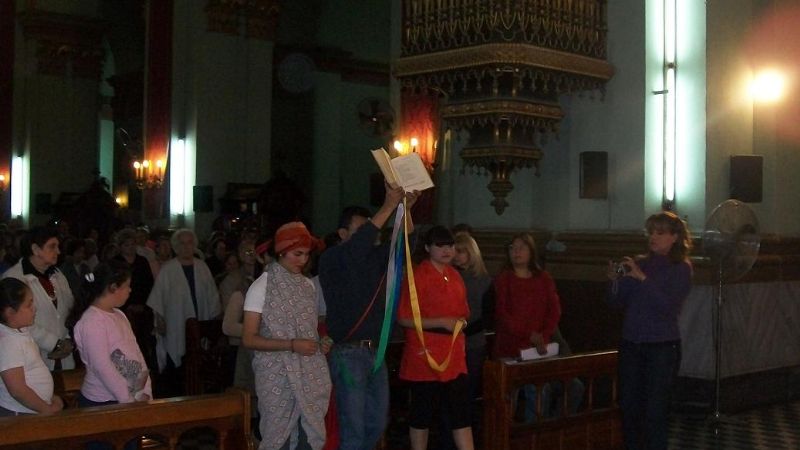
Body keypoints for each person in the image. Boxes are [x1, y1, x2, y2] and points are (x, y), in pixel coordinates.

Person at [318, 185, 418, 450]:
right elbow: (357, 248)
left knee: (375, 424)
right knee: (353, 427)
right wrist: (387, 206)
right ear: (342, 234)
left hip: (376, 352)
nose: (372, 232)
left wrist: (404, 208)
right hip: (348, 353)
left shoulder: (374, 258)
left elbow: (407, 244)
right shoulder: (333, 258)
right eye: (362, 228)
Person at [242, 222, 332, 450]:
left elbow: (308, 330)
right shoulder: (261, 287)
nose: (303, 260)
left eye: (306, 255)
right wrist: (292, 345)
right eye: (297, 254)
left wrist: (319, 344)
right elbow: (249, 339)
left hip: (308, 371)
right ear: (281, 252)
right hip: (275, 373)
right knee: (277, 439)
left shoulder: (307, 286)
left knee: (307, 439)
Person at [607, 211, 692, 450]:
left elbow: (668, 307)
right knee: (629, 407)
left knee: (655, 411)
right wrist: (615, 280)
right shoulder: (640, 263)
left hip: (661, 347)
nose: (653, 237)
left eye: (660, 233)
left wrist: (643, 279)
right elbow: (615, 302)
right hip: (632, 344)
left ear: (675, 237)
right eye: (651, 232)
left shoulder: (680, 268)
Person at [397, 226, 474, 450]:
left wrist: (461, 323)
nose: (446, 250)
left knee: (461, 411)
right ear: (428, 248)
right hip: (425, 352)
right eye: (439, 245)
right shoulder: (418, 275)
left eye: (450, 245)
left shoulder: (455, 275)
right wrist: (441, 322)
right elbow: (403, 318)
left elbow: (463, 313)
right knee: (423, 411)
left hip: (453, 353)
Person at [492, 233, 561, 422]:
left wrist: (543, 336)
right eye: (512, 248)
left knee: (537, 401)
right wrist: (529, 334)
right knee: (507, 403)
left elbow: (554, 311)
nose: (516, 252)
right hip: (510, 348)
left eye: (521, 247)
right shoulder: (504, 279)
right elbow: (503, 315)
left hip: (537, 349)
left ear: (531, 251)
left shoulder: (543, 279)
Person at [146, 228, 221, 397]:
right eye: (182, 243)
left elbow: (212, 295)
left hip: (199, 321)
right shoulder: (168, 269)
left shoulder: (202, 267)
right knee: (177, 369)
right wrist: (160, 321)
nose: (186, 247)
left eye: (189, 243)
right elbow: (158, 298)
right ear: (176, 246)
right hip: (176, 323)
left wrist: (214, 319)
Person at [72, 261, 152, 405]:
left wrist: (144, 390)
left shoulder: (119, 315)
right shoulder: (92, 321)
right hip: (103, 400)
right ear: (114, 287)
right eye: (127, 286)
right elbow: (102, 366)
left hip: (132, 396)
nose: (130, 290)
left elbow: (136, 353)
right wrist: (127, 399)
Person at [2, 226, 76, 370]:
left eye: (58, 246)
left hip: (63, 355)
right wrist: (53, 343)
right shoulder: (14, 278)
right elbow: (16, 321)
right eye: (52, 247)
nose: (58, 252)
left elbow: (69, 308)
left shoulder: (57, 275)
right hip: (30, 356)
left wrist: (67, 339)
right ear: (36, 249)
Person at [0, 278, 63, 416]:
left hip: (32, 410)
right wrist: (45, 409)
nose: (34, 308)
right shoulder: (8, 342)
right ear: (10, 312)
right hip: (20, 413)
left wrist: (49, 396)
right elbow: (17, 389)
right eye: (29, 305)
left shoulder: (20, 331)